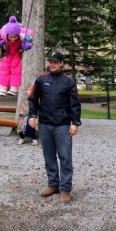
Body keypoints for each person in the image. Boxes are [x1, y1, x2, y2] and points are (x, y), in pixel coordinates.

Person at [28, 52, 81, 203]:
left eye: (56, 62)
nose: (52, 64)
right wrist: (32, 115)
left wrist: (75, 123)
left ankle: (65, 189)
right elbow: (32, 98)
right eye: (50, 62)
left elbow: (75, 104)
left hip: (63, 125)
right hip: (44, 124)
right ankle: (53, 185)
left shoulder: (68, 82)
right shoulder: (41, 79)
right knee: (49, 156)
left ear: (61, 64)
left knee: (65, 157)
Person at [0, 15, 33, 96]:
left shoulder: (22, 36)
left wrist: (26, 45)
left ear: (18, 34)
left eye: (15, 37)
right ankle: (3, 88)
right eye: (11, 37)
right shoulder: (3, 34)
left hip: (16, 55)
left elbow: (29, 43)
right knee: (4, 70)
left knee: (16, 70)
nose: (13, 39)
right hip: (7, 55)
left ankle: (14, 88)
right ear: (7, 35)